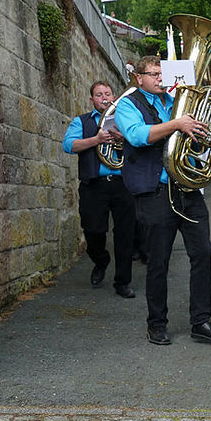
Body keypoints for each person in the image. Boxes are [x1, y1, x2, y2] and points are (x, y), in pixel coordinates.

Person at [114, 55, 211, 347]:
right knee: (158, 261)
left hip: (187, 190)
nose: (158, 78)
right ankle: (156, 323)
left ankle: (201, 321)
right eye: (152, 74)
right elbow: (137, 135)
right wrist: (178, 124)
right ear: (138, 78)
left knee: (203, 254)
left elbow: (190, 143)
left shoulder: (176, 102)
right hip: (155, 193)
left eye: (160, 73)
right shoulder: (128, 105)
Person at [63, 81, 137, 298]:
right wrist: (96, 139)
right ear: (92, 100)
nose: (104, 98)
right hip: (93, 184)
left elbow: (142, 142)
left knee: (125, 234)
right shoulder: (82, 121)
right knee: (93, 231)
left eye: (107, 93)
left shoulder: (125, 120)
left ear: (114, 97)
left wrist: (126, 139)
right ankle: (101, 259)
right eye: (98, 95)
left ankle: (122, 282)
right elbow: (69, 145)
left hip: (123, 183)